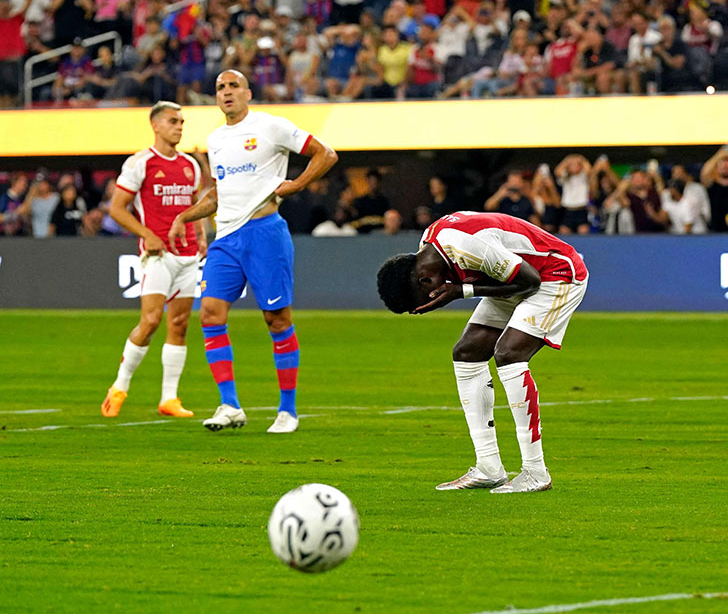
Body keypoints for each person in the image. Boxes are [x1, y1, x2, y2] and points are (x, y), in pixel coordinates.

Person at [167, 70, 338, 434]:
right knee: (210, 315)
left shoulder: (271, 126)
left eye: (233, 86)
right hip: (225, 238)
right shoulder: (215, 139)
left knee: (276, 319)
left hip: (264, 233)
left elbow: (326, 154)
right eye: (220, 88)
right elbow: (218, 193)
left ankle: (287, 411)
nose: (226, 92)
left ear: (247, 93)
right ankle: (229, 405)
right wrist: (184, 215)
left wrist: (295, 186)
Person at [376, 211, 589, 493]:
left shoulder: (468, 247)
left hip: (555, 275)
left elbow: (530, 280)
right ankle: (489, 467)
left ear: (425, 281)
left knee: (509, 353)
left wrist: (461, 291)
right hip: (512, 279)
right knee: (467, 352)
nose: (433, 304)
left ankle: (536, 472)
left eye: (427, 302)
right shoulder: (429, 245)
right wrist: (463, 289)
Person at [101, 101, 208, 419]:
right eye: (173, 121)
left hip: (188, 254)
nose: (179, 126)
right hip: (157, 254)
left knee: (180, 324)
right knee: (150, 322)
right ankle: (119, 387)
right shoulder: (141, 163)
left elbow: (193, 205)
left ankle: (169, 399)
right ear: (156, 125)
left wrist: (201, 235)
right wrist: (146, 234)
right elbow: (117, 208)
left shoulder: (190, 165)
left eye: (181, 121)